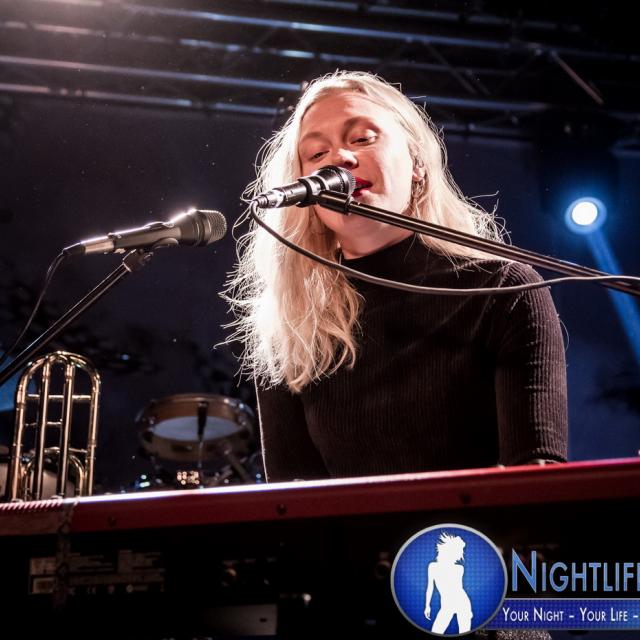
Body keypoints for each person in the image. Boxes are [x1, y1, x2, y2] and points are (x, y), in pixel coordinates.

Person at [226, 70, 568, 482]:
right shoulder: (293, 324)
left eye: (361, 139)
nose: (339, 159)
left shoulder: (505, 290)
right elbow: (291, 499)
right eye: (316, 154)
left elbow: (536, 480)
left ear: (417, 163)